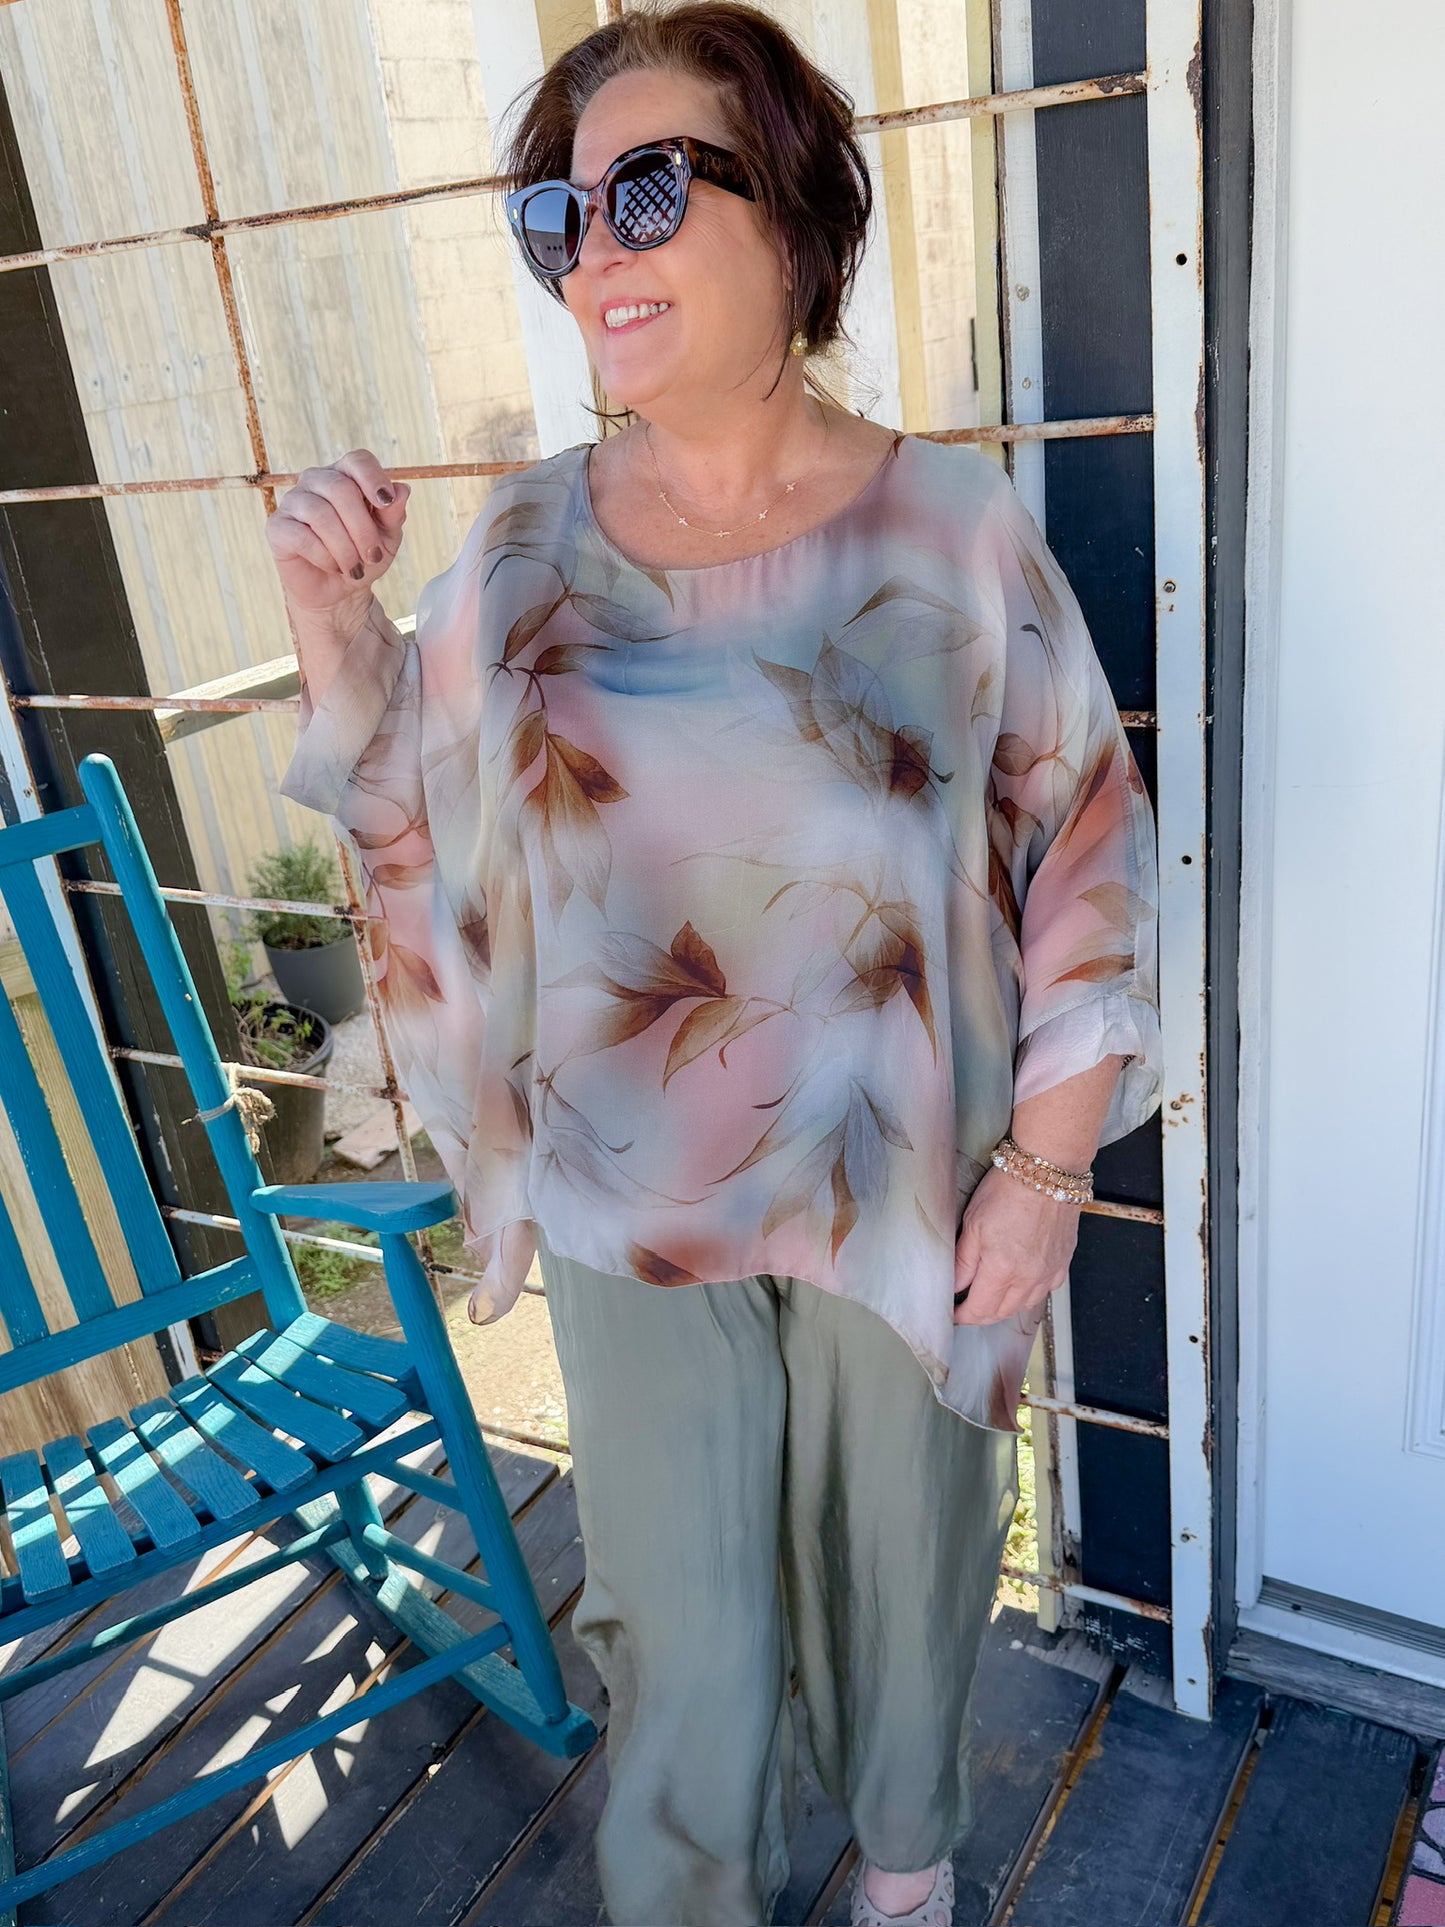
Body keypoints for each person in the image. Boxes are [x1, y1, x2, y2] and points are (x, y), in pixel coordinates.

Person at [266, 6, 1163, 1922]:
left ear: (800, 215)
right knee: (675, 1620)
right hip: (626, 1206)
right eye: (558, 215)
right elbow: (404, 825)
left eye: (649, 190)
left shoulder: (953, 534)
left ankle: (904, 1878)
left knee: (908, 1572)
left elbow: (1084, 853)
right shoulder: (511, 562)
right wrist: (332, 622)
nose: (594, 249)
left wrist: (1044, 1169)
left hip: (903, 1187)